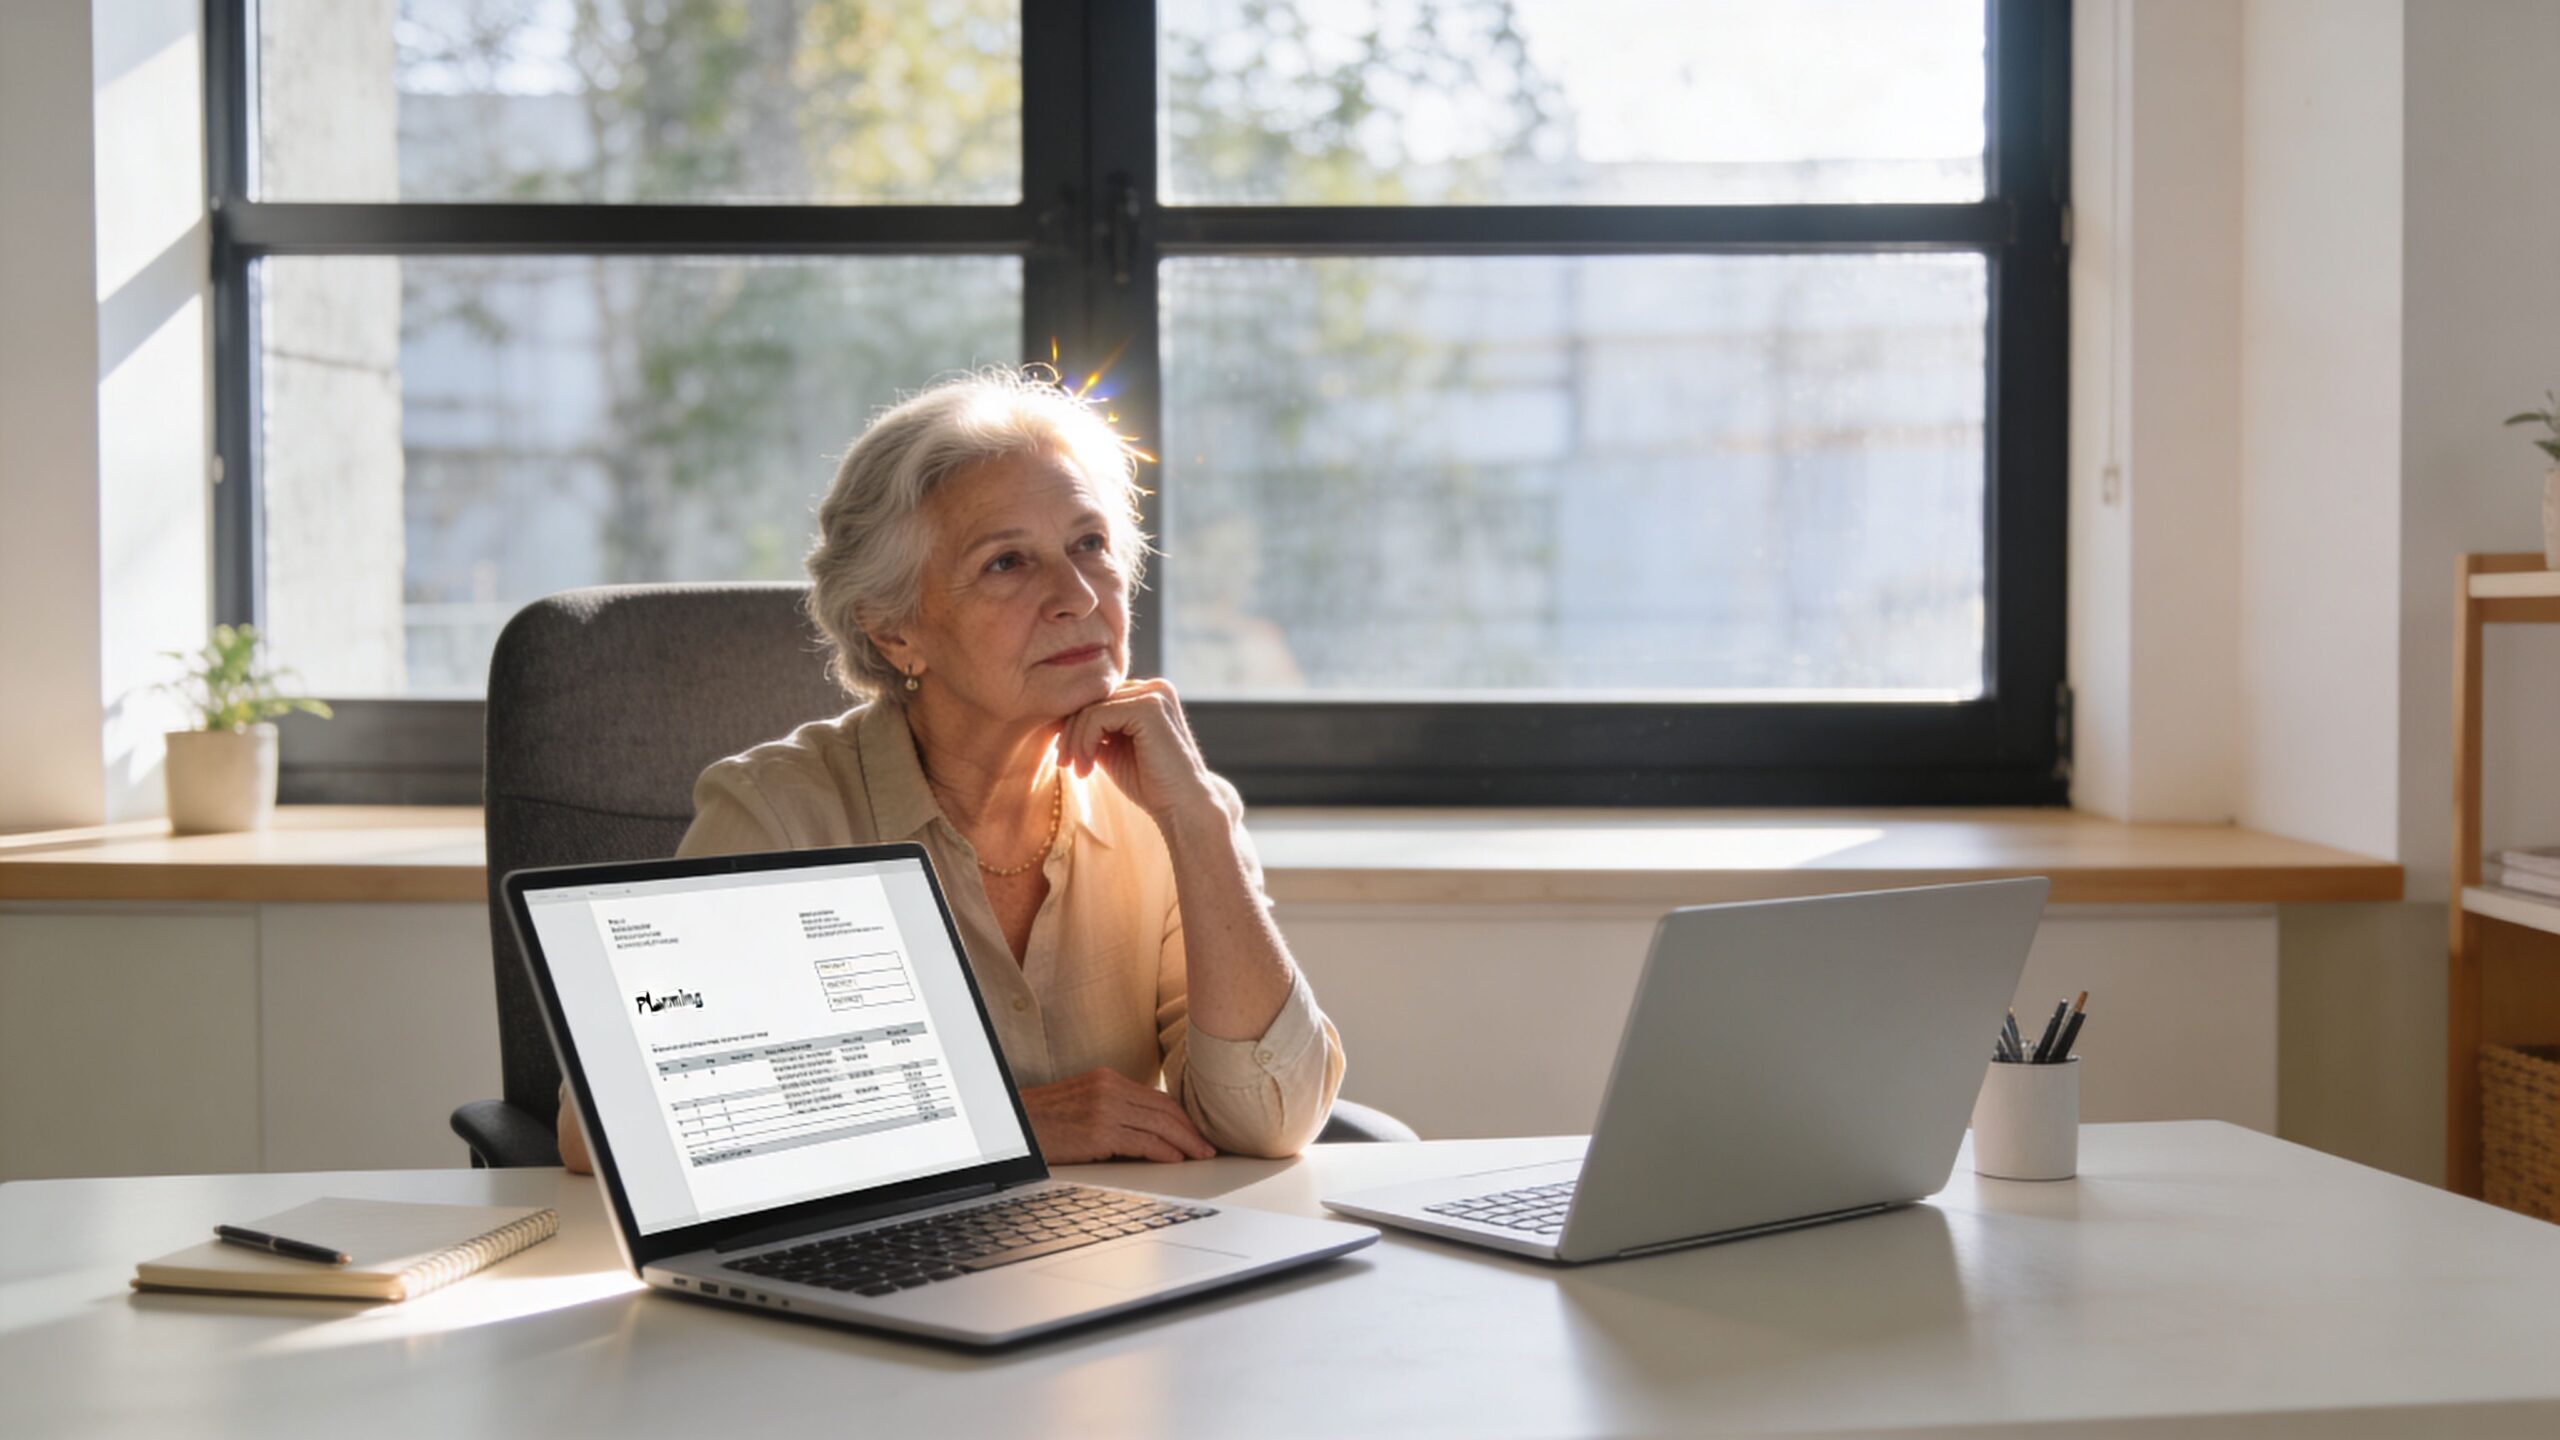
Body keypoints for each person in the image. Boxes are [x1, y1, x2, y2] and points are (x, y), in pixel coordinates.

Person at [559, 367, 1345, 1173]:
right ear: (897, 632)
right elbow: (601, 1129)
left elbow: (1268, 1122)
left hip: (1127, 1263)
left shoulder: (1171, 808)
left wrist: (1200, 825)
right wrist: (1000, 1124)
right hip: (870, 1266)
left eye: (1090, 544)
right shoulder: (782, 814)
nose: (1077, 594)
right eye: (1008, 562)